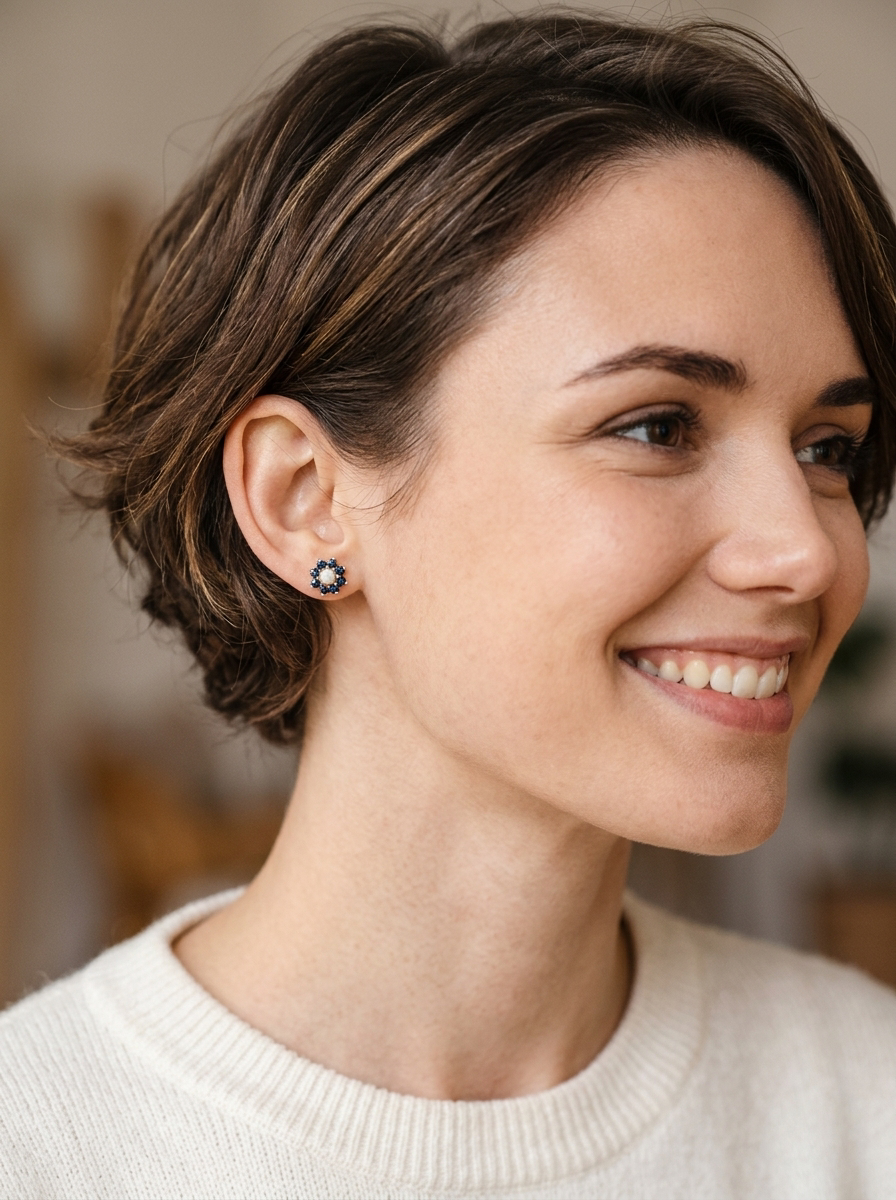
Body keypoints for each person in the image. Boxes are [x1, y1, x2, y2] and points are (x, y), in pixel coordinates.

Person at [2, 10, 896, 1197]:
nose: (805, 550)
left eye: (827, 447)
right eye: (655, 426)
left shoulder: (862, 1103)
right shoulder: (42, 1145)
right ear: (305, 497)